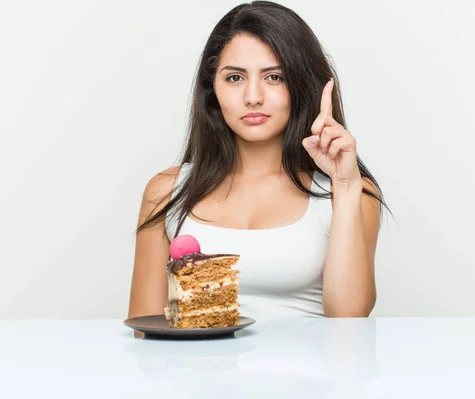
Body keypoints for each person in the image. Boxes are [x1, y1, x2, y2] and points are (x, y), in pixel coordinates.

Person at [128, 1, 390, 325]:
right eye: (235, 78)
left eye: (274, 77)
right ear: (213, 90)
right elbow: (145, 329)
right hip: (198, 374)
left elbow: (350, 317)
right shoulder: (166, 192)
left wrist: (346, 186)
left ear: (301, 84)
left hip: (313, 375)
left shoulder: (350, 191)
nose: (253, 96)